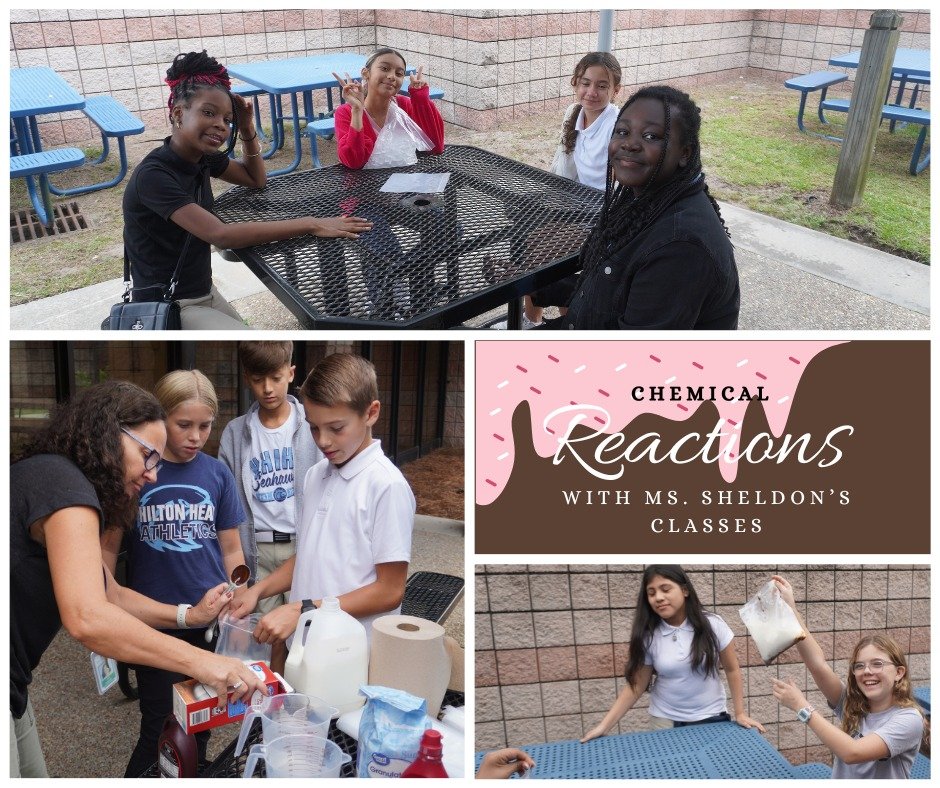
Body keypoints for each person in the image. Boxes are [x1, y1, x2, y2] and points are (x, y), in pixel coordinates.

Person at [10, 381, 264, 778]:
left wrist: (189, 616)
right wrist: (202, 662)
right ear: (107, 435)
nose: (152, 474)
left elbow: (110, 594)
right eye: (147, 456)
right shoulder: (66, 490)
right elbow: (88, 617)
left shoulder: (56, 476)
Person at [122, 50, 372, 330]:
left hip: (202, 291)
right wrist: (312, 224)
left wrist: (247, 126)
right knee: (258, 346)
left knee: (261, 346)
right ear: (179, 113)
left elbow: (255, 179)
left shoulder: (201, 157)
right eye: (208, 113)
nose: (220, 125)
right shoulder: (154, 176)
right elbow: (221, 234)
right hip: (169, 303)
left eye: (227, 120)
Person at [100, 370, 248, 777]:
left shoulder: (217, 474)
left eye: (205, 426)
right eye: (184, 425)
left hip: (209, 625)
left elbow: (231, 547)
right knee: (161, 727)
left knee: (202, 721)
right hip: (154, 623)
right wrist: (100, 602)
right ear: (159, 418)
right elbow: (107, 548)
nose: (195, 436)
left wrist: (240, 595)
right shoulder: (137, 472)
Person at [229, 353, 415, 671]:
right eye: (314, 428)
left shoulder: (386, 485)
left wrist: (303, 610)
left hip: (350, 655)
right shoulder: (316, 474)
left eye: (336, 428)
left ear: (371, 413)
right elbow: (308, 555)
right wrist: (258, 590)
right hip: (305, 647)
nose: (324, 441)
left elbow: (390, 590)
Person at [536, 85, 740, 330]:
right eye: (622, 132)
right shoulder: (642, 202)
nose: (630, 144)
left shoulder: (680, 246)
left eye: (651, 136)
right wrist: (538, 285)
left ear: (684, 153)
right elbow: (609, 292)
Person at [769, 575, 927, 778]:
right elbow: (818, 665)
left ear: (899, 672)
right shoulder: (852, 705)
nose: (867, 671)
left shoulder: (909, 719)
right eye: (859, 666)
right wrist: (791, 609)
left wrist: (802, 707)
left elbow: (853, 753)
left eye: (877, 664)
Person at [581, 565, 762, 742]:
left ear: (685, 590)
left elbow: (732, 669)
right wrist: (604, 726)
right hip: (665, 722)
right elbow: (637, 685)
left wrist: (740, 713)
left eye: (665, 589)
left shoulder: (713, 624)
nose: (658, 598)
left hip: (712, 717)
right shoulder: (648, 635)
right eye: (651, 593)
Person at [516, 51, 623, 330]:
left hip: (605, 216)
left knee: (548, 250)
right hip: (576, 206)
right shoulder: (573, 113)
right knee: (525, 228)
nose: (592, 92)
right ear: (575, 83)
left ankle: (570, 323)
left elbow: (622, 186)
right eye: (586, 83)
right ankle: (532, 318)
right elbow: (564, 169)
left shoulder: (618, 126)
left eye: (602, 86)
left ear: (615, 90)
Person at [219, 341, 323, 615]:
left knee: (306, 623)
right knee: (262, 628)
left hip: (302, 544)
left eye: (276, 378)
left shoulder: (313, 424)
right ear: (246, 379)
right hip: (256, 548)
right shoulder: (234, 433)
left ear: (291, 373)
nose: (267, 388)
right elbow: (226, 502)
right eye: (258, 380)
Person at [332, 48, 445, 170]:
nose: (392, 76)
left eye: (399, 74)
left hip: (407, 177)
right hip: (366, 181)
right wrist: (357, 110)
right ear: (365, 73)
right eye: (385, 68)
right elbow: (353, 162)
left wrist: (421, 99)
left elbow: (435, 147)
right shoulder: (346, 112)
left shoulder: (404, 106)